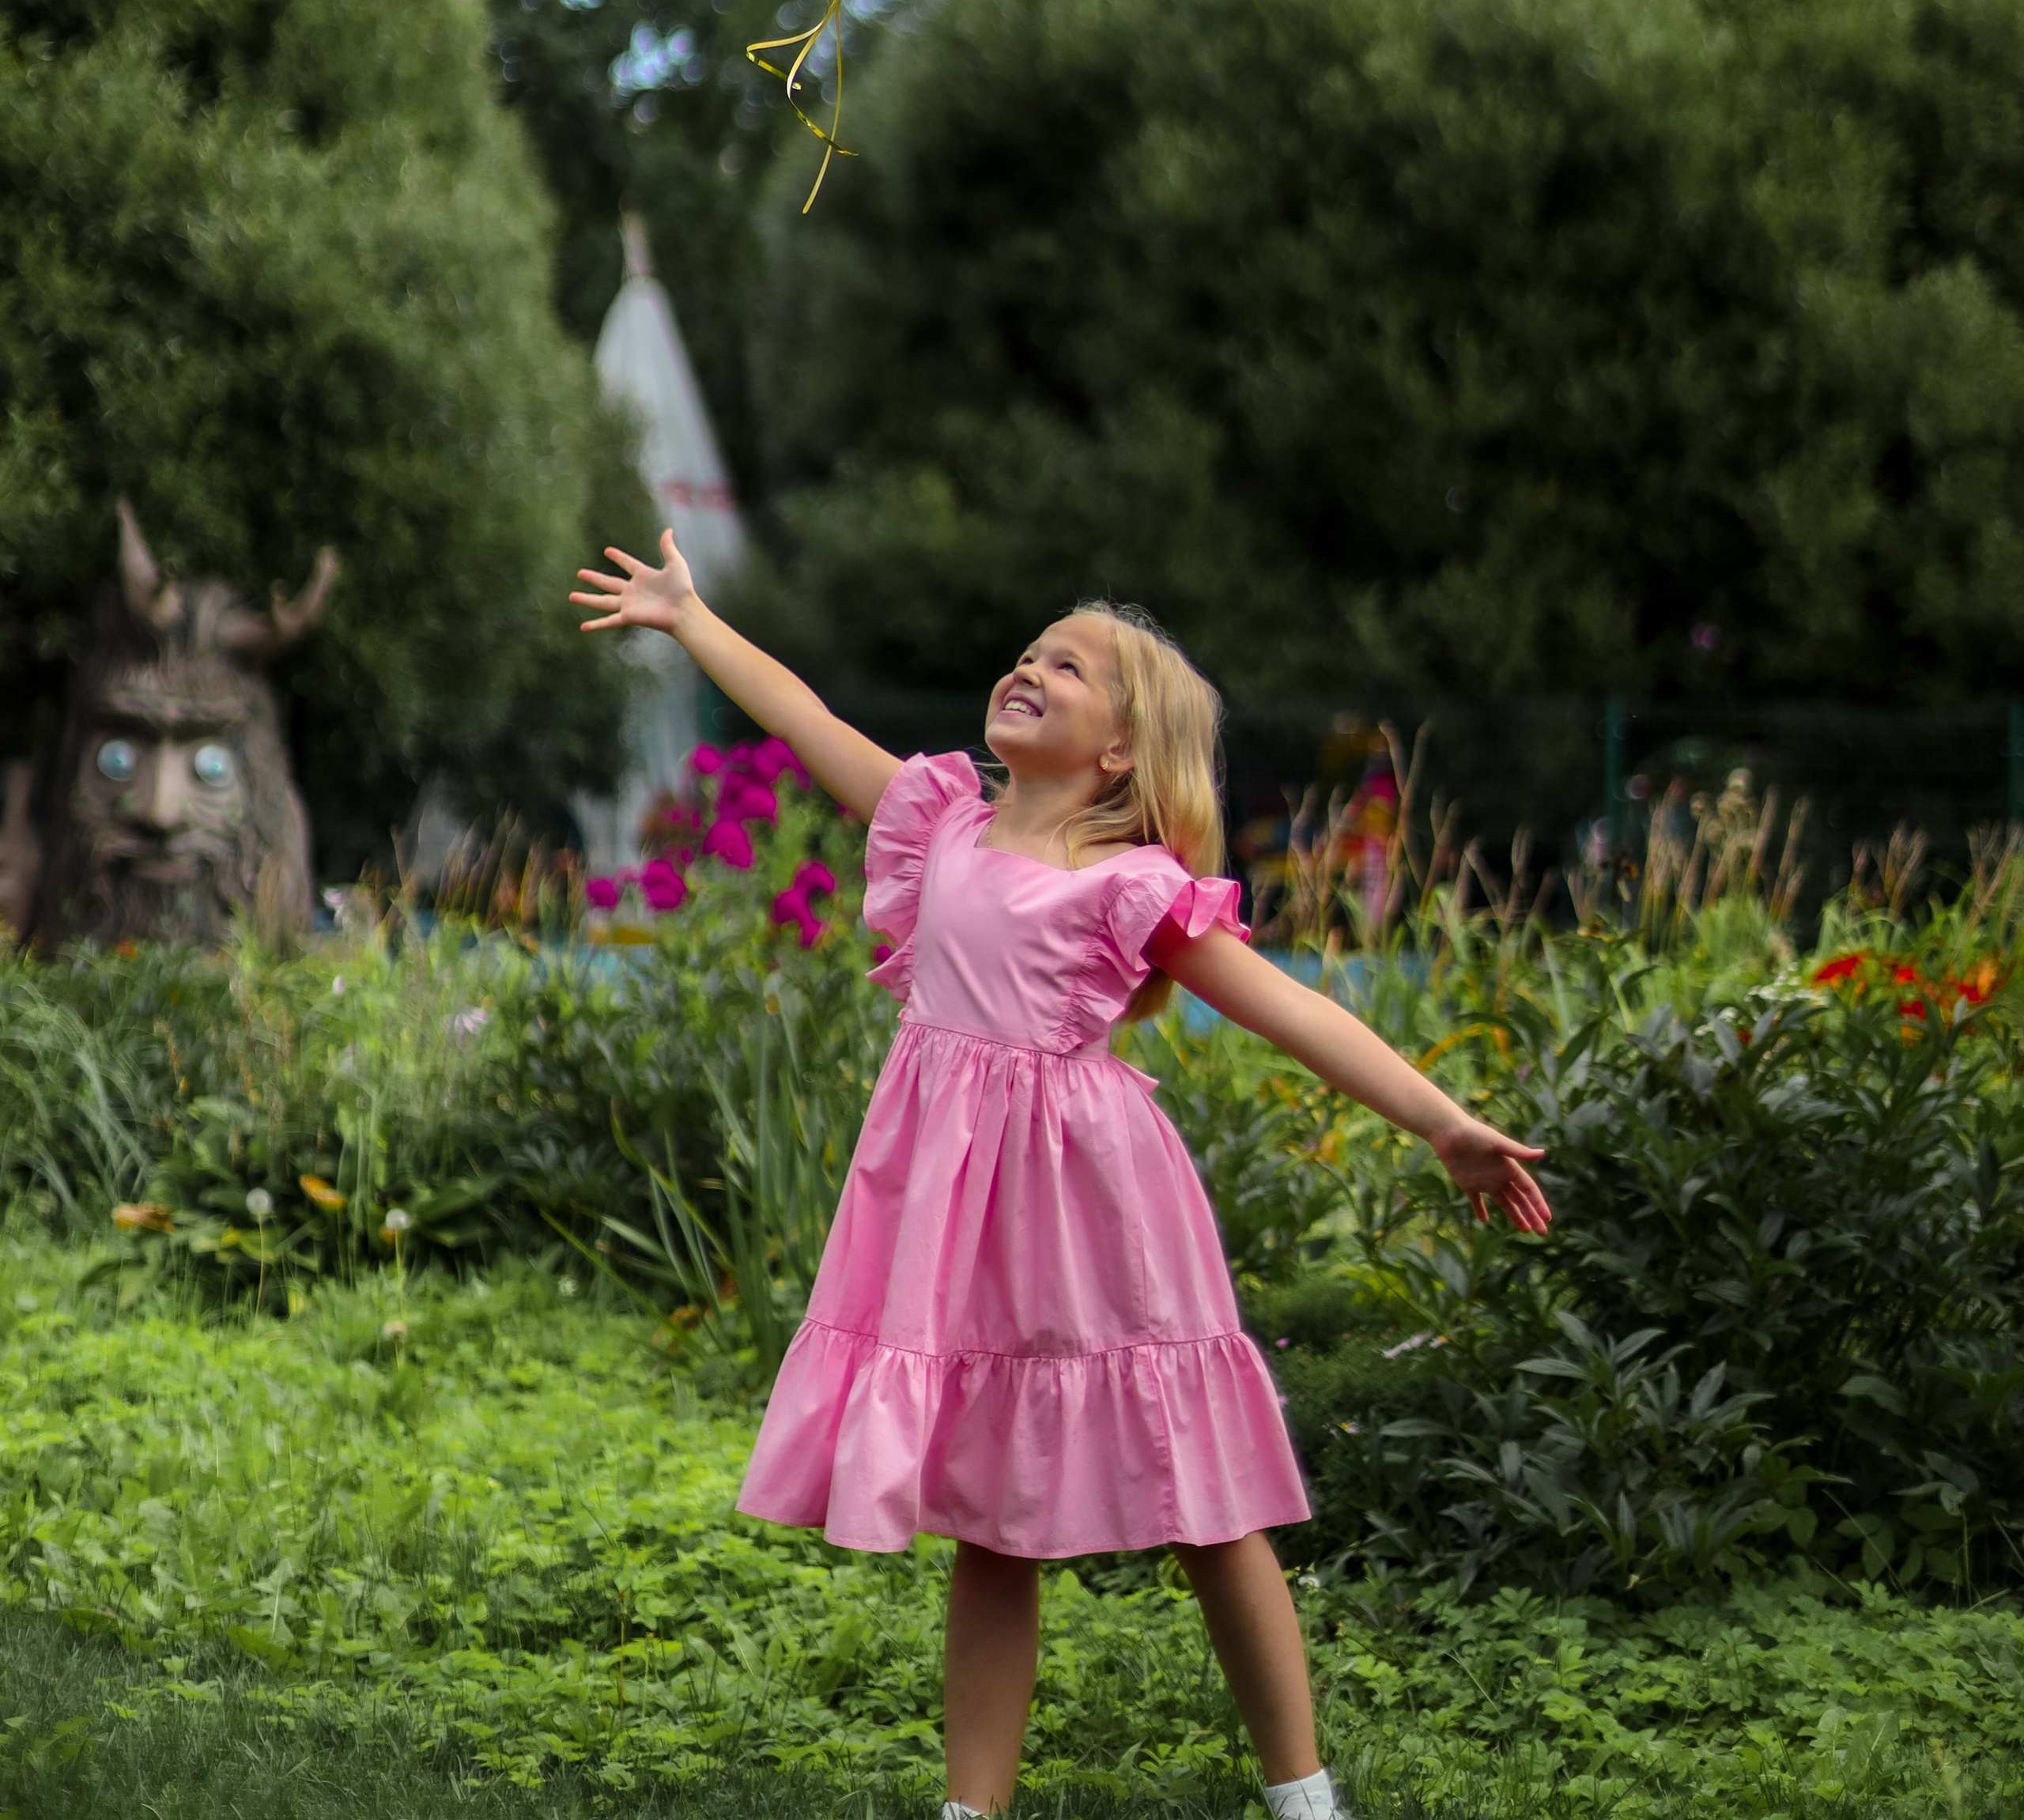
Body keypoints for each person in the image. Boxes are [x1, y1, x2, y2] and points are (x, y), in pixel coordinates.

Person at [572, 536, 1551, 1820]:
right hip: (959, 1226)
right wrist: (690, 621)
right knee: (987, 1513)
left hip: (1099, 1216)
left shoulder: (1132, 889)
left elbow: (1294, 1012)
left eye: (1069, 667)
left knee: (1206, 1504)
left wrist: (1443, 1124)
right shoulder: (942, 826)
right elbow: (807, 718)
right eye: (1032, 651)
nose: (1031, 667)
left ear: (1121, 755)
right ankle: (969, 1811)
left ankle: (1305, 1796)